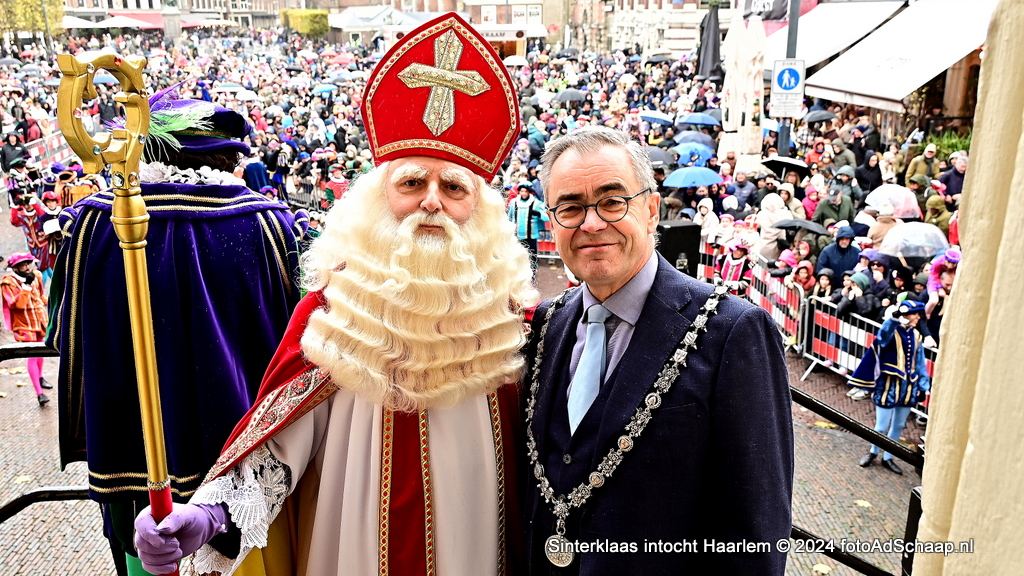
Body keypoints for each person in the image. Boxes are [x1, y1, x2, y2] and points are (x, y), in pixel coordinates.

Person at [133, 14, 536, 575]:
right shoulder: (330, 310)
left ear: (482, 209)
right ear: (375, 200)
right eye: (412, 183)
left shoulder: (519, 322)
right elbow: (275, 453)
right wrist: (209, 515)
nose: (431, 202)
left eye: (453, 187)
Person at [47, 86, 308, 576]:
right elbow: (297, 347)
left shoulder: (91, 224)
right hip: (241, 469)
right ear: (230, 156)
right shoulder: (269, 225)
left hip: (132, 463)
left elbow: (63, 336)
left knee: (145, 562)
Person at [524, 126, 792, 573]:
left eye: (612, 202)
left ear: (650, 210)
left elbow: (755, 531)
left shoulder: (733, 332)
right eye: (570, 207)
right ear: (553, 222)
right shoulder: (549, 324)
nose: (591, 223)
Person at [850, 300, 931, 475]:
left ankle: (888, 456)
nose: (918, 317)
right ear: (906, 315)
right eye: (915, 313)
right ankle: (873, 452)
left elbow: (920, 363)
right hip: (888, 385)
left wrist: (923, 386)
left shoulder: (917, 336)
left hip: (908, 387)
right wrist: (893, 319)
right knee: (881, 426)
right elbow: (882, 338)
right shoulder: (891, 331)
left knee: (899, 425)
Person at [0, 253, 50, 406]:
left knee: (41, 351)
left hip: (40, 321)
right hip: (24, 325)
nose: (26, 267)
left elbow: (41, 297)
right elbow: (17, 305)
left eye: (28, 263)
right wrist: (26, 288)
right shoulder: (7, 283)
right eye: (22, 265)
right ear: (14, 267)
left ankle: (40, 377)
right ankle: (39, 394)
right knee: (32, 356)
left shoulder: (36, 276)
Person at [508, 180, 550, 277]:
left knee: (532, 256)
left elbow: (547, 217)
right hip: (517, 235)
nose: (523, 193)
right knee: (517, 255)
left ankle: (532, 274)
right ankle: (518, 274)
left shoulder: (536, 203)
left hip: (531, 235)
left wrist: (538, 213)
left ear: (529, 192)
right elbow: (509, 217)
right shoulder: (513, 202)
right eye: (521, 191)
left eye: (525, 191)